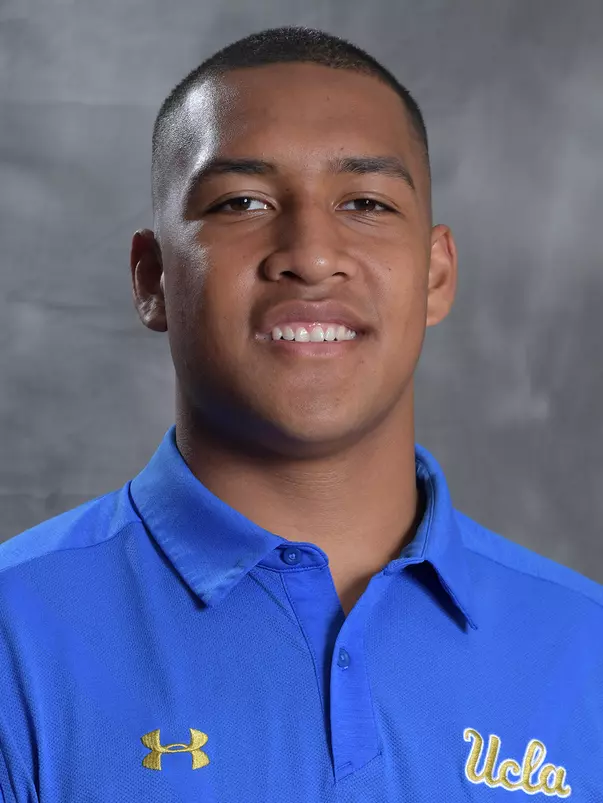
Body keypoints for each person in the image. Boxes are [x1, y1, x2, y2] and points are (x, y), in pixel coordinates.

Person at [0, 25, 601, 803]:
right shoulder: (15, 638)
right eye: (240, 203)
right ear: (152, 279)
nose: (311, 255)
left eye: (365, 203)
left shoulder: (583, 647)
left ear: (435, 274)